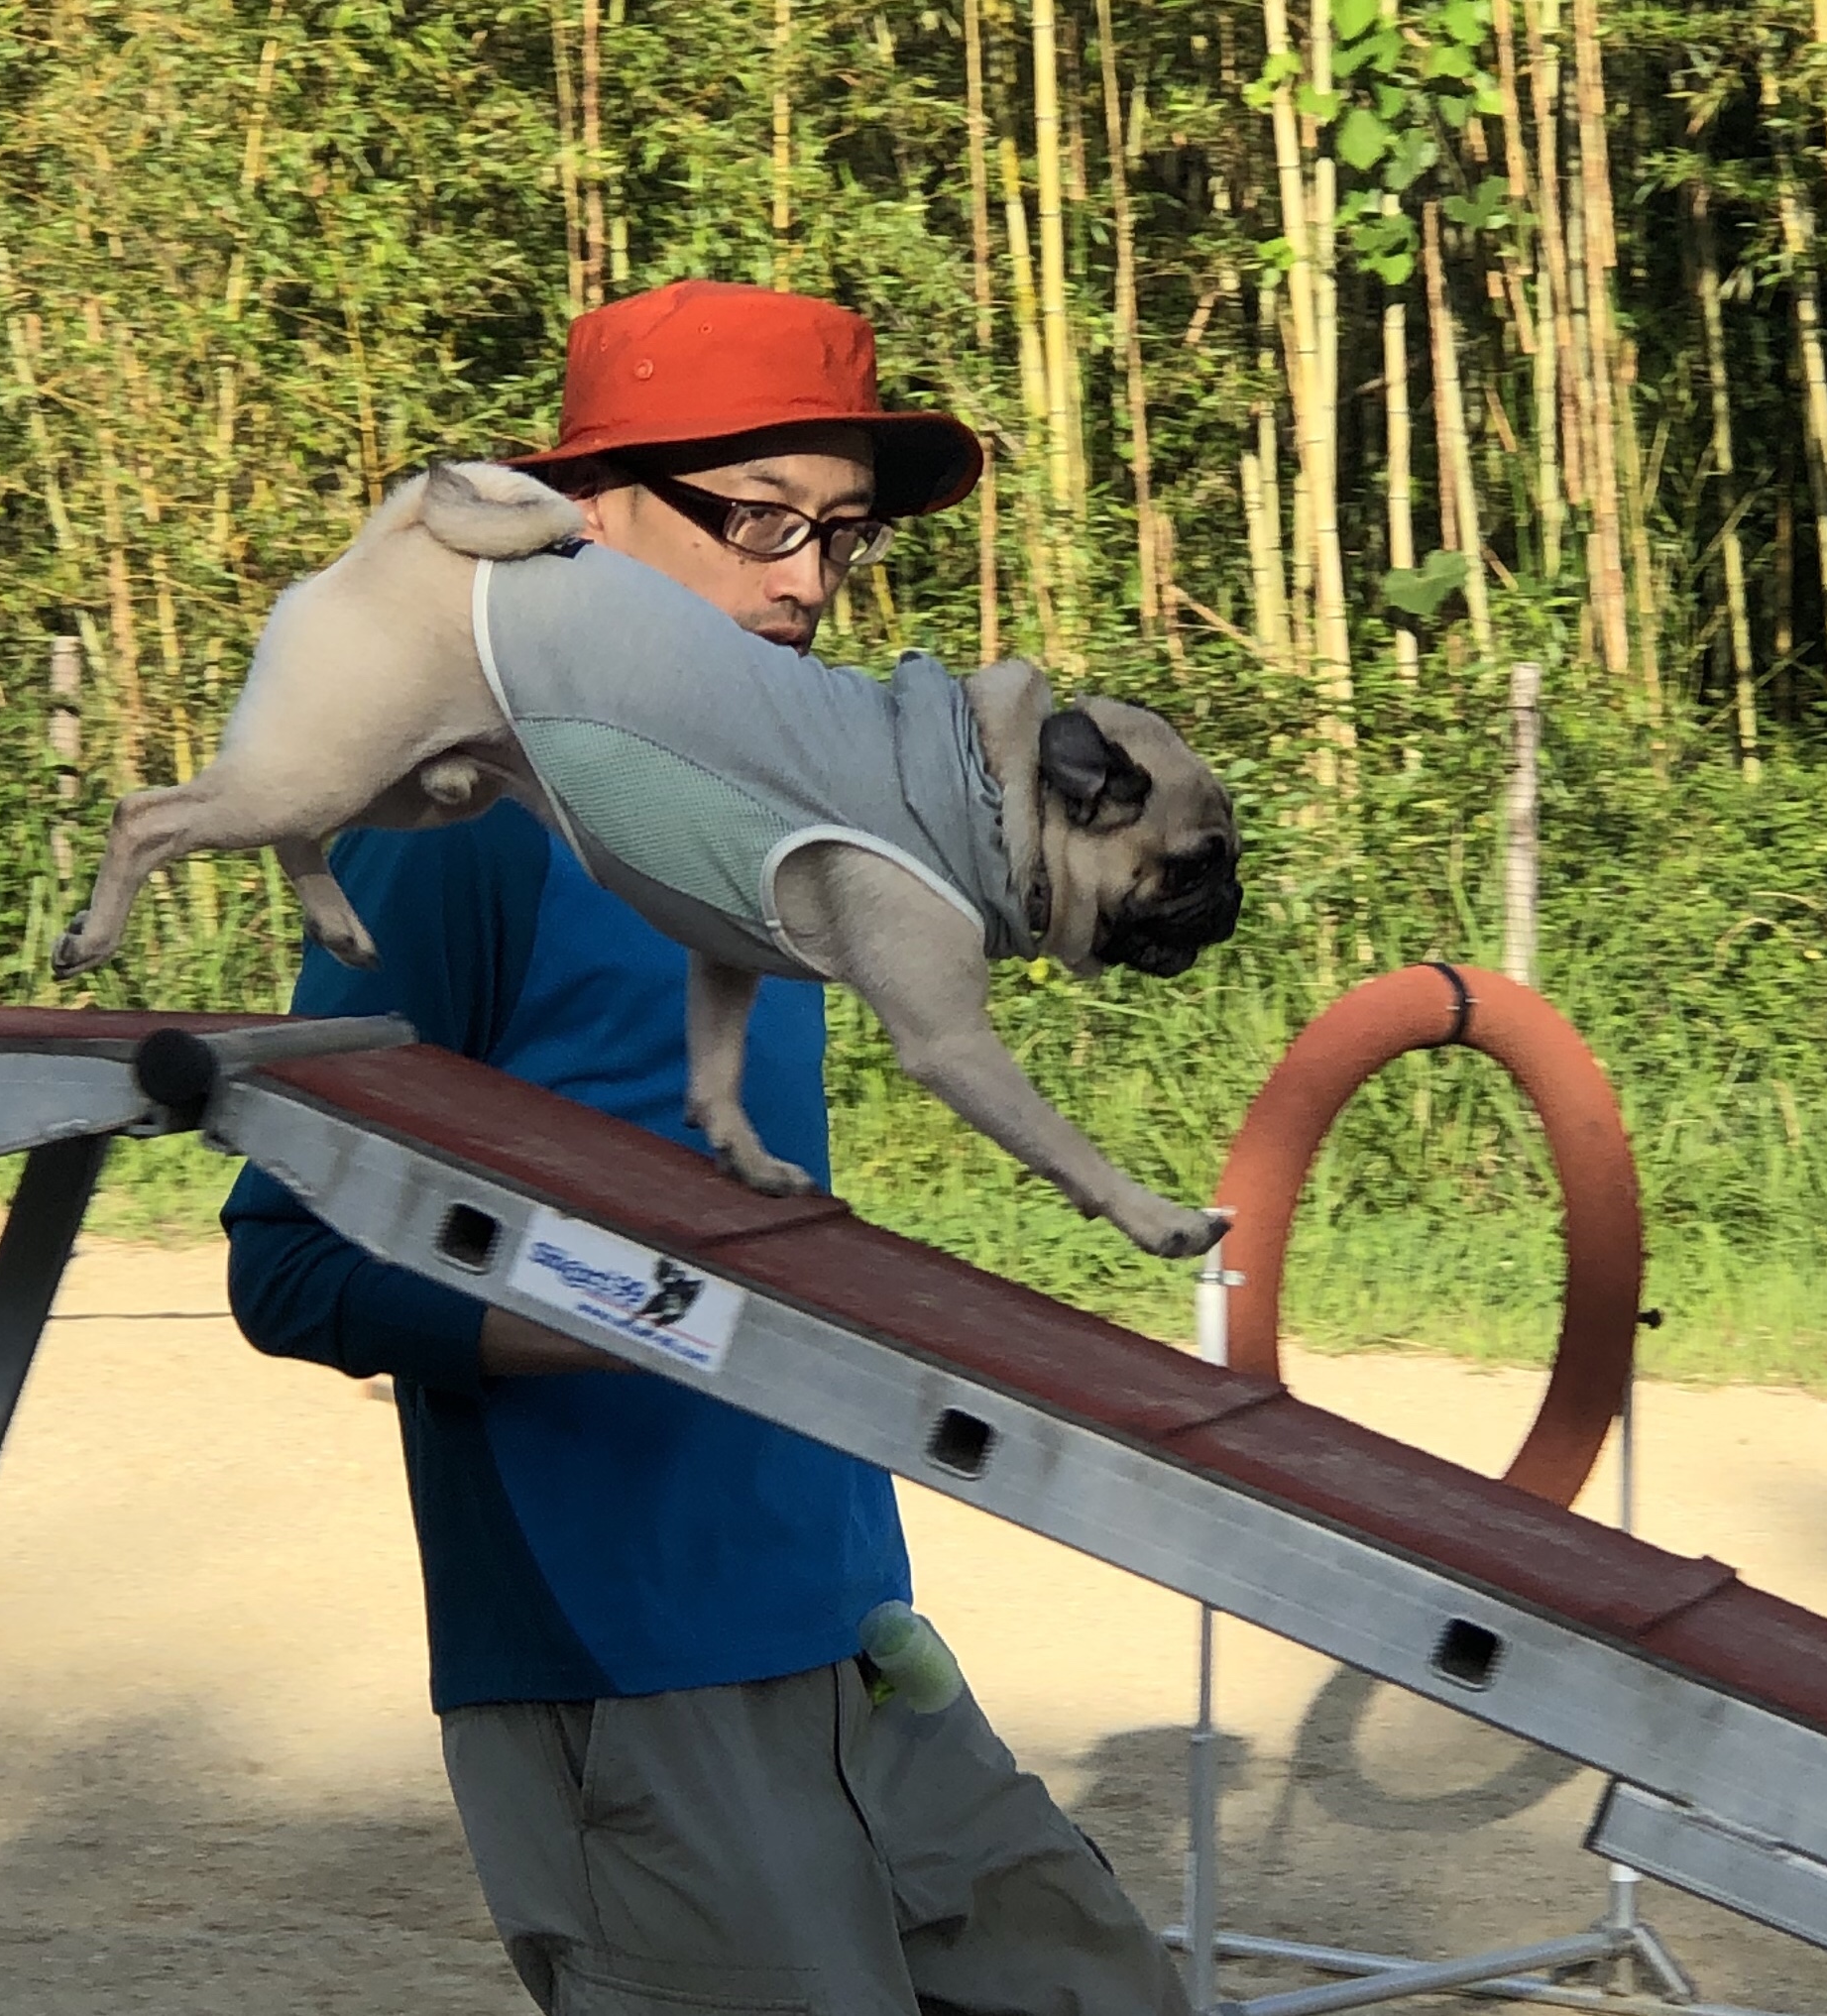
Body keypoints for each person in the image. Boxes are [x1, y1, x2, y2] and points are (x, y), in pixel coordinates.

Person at [222, 280, 1195, 2016]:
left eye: (843, 532)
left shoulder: (792, 817)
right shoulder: (464, 831)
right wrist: (613, 1316)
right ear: (586, 520)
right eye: (758, 519)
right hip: (623, 1664)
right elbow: (285, 1257)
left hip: (852, 1622)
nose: (807, 579)